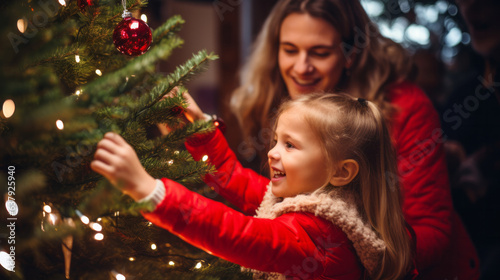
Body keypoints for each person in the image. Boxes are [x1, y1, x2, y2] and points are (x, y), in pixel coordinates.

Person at [181, 0, 480, 278]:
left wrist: (356, 247)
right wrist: (202, 137)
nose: (301, 67)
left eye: (320, 52)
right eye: (289, 49)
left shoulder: (405, 107)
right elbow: (270, 197)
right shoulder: (284, 100)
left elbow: (433, 230)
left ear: (350, 54)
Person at [91, 93, 418, 279]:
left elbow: (234, 232)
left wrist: (149, 191)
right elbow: (234, 177)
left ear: (341, 172)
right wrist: (198, 130)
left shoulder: (318, 237)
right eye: (276, 140)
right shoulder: (317, 201)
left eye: (290, 145)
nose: (272, 152)